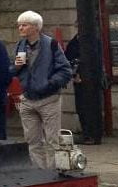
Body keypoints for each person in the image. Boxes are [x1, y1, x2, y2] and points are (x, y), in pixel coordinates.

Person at [10, 11, 73, 169]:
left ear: (36, 27)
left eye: (24, 25)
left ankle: (53, 173)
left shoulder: (51, 44)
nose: (21, 28)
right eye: (19, 25)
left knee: (53, 141)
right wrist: (16, 67)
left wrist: (50, 84)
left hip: (48, 99)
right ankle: (39, 174)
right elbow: (12, 71)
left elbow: (65, 70)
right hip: (27, 99)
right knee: (32, 141)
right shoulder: (20, 45)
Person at [65, 31, 103, 145]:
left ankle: (94, 134)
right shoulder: (73, 43)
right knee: (82, 108)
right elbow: (68, 60)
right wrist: (74, 74)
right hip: (79, 80)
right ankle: (87, 134)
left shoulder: (94, 42)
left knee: (92, 106)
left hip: (92, 79)